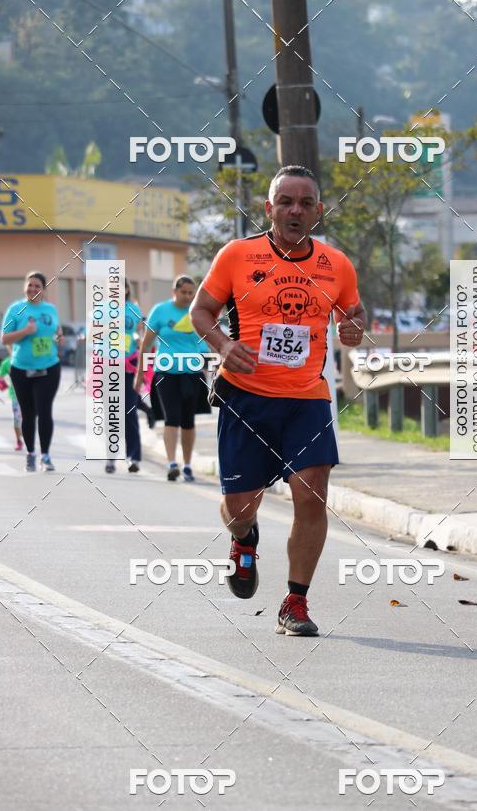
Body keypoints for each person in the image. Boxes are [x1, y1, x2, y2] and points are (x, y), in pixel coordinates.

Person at [190, 165, 366, 636]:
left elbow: (354, 312)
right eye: (285, 202)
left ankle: (295, 602)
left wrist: (354, 326)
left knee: (313, 497)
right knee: (240, 507)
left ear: (318, 211)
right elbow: (200, 311)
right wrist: (224, 346)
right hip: (244, 397)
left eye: (306, 203)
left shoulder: (336, 265)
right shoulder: (237, 256)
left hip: (307, 399)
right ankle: (244, 540)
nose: (295, 210)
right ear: (268, 208)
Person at [136, 275, 210, 482]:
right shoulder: (160, 311)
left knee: (188, 421)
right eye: (183, 292)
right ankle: (171, 463)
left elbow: (206, 343)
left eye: (190, 293)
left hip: (193, 374)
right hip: (166, 373)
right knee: (172, 418)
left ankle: (187, 465)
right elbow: (146, 344)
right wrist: (140, 373)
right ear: (174, 291)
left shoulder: (198, 312)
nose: (187, 296)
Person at [1, 271, 63, 472]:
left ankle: (45, 456)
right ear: (25, 287)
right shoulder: (16, 309)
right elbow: (5, 338)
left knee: (45, 411)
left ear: (43, 289)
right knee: (28, 414)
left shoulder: (50, 309)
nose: (33, 289)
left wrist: (59, 339)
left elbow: (57, 331)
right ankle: (30, 453)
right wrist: (25, 332)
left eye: (37, 286)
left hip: (49, 368)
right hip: (21, 369)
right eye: (30, 285)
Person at [105, 280, 145, 475]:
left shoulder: (133, 309)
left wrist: (140, 342)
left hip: (129, 364)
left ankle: (133, 457)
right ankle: (111, 458)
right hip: (108, 366)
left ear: (127, 289)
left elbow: (140, 333)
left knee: (130, 411)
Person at [0, 353, 23, 450]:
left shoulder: (27, 358)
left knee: (27, 418)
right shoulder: (6, 363)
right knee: (16, 420)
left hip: (30, 394)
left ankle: (25, 434)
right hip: (15, 395)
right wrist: (0, 382)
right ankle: (19, 440)